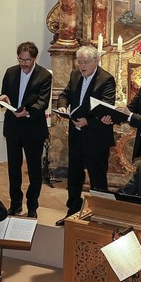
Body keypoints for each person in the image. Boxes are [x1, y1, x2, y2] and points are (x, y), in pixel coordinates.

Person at [55, 46, 116, 226]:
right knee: (74, 176)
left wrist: (87, 121)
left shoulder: (106, 79)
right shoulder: (75, 75)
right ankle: (72, 212)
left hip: (96, 138)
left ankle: (101, 217)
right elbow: (65, 94)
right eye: (79, 62)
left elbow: (106, 106)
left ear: (96, 62)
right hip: (76, 136)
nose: (81, 66)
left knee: (97, 179)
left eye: (85, 63)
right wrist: (62, 105)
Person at [0, 41, 52, 219]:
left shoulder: (44, 75)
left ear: (34, 58)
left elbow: (43, 102)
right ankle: (15, 204)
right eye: (21, 59)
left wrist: (28, 112)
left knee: (35, 170)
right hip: (13, 127)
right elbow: (5, 94)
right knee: (14, 168)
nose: (23, 64)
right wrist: (4, 99)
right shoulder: (10, 72)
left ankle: (32, 205)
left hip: (33, 128)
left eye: (27, 60)